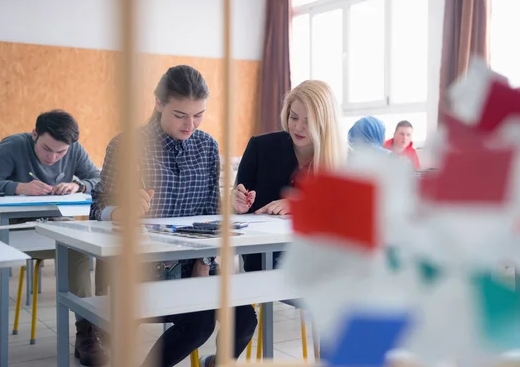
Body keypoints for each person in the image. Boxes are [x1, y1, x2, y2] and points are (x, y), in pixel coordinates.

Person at [89, 65, 257, 367]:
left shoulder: (207, 147)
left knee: (244, 320)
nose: (190, 124)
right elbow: (97, 208)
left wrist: (207, 256)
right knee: (199, 325)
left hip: (198, 262)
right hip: (143, 268)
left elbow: (210, 214)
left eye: (199, 114)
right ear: (158, 103)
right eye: (180, 115)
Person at [0, 110, 105, 365]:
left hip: (56, 225)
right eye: (47, 149)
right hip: (12, 228)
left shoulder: (74, 149)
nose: (53, 157)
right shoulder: (14, 145)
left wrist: (78, 185)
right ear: (34, 134)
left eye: (61, 153)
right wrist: (16, 187)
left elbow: (100, 178)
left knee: (79, 249)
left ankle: (86, 335)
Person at [232, 80, 343, 272]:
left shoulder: (341, 159)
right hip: (263, 257)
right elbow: (238, 207)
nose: (298, 127)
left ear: (325, 123)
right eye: (294, 117)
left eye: (308, 121)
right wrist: (237, 203)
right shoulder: (261, 148)